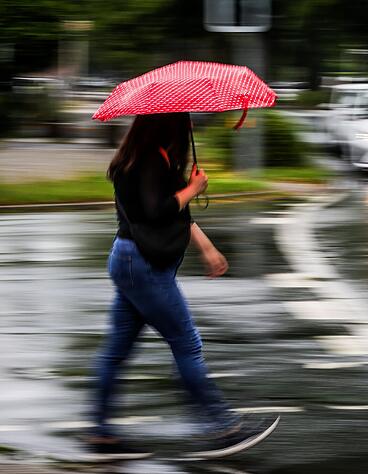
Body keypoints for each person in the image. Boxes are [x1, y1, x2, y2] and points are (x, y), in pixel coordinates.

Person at [89, 112, 248, 457]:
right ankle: (220, 427)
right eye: (186, 121)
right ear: (169, 125)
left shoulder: (146, 156)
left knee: (116, 350)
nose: (190, 127)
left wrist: (206, 247)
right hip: (142, 266)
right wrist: (192, 188)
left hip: (131, 262)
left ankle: (100, 430)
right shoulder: (148, 160)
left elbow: (175, 214)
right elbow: (156, 212)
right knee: (186, 342)